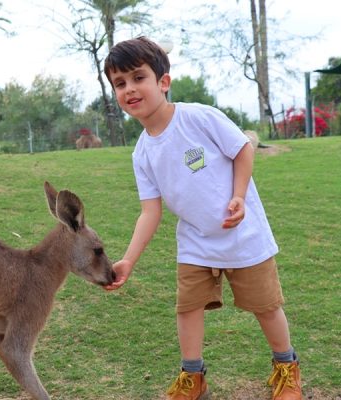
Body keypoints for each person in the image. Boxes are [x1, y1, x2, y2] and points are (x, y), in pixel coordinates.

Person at [102, 36, 302, 400]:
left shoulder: (198, 117)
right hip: (195, 241)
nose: (129, 89)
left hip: (244, 235)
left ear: (163, 82)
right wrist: (129, 259)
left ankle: (286, 369)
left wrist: (239, 196)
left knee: (266, 306)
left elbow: (242, 148)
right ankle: (193, 379)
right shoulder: (142, 153)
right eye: (120, 83)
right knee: (188, 308)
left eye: (138, 77)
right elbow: (151, 210)